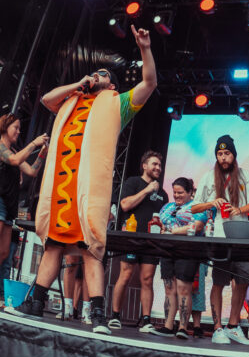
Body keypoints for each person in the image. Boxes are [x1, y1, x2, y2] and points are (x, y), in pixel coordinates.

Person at [16, 25, 156, 333]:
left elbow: (149, 83)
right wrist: (79, 84)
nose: (97, 75)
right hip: (61, 189)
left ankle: (98, 315)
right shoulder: (71, 101)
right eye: (96, 72)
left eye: (103, 74)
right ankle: (36, 302)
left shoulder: (116, 104)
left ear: (112, 86)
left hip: (87, 191)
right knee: (53, 246)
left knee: (90, 247)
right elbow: (46, 100)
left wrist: (144, 47)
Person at [189, 134, 249, 345]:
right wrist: (211, 203)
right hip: (219, 236)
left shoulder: (244, 175)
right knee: (219, 282)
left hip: (242, 236)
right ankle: (218, 328)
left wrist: (238, 209)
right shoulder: (208, 177)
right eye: (219, 154)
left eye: (227, 153)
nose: (223, 158)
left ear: (233, 155)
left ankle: (233, 326)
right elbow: (194, 208)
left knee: (245, 278)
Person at [0, 115, 48, 300]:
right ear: (6, 127)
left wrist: (42, 153)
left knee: (4, 251)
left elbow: (31, 171)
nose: (18, 131)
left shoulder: (14, 150)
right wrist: (33, 144)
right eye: (16, 127)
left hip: (9, 204)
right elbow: (14, 161)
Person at [108, 151, 167, 332]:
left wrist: (164, 227)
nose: (158, 168)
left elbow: (163, 218)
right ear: (144, 166)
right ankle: (115, 316)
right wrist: (147, 190)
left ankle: (147, 320)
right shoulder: (133, 182)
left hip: (151, 241)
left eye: (159, 165)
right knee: (125, 275)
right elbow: (125, 205)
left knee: (147, 279)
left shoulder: (163, 194)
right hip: (132, 238)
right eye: (154, 164)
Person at [153, 176, 203, 338]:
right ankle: (168, 325)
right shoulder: (166, 207)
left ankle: (182, 327)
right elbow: (160, 223)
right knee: (169, 288)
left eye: (180, 192)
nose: (177, 195)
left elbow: (197, 226)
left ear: (190, 192)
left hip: (188, 250)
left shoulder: (197, 207)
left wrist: (174, 231)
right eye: (174, 192)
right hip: (167, 249)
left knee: (183, 288)